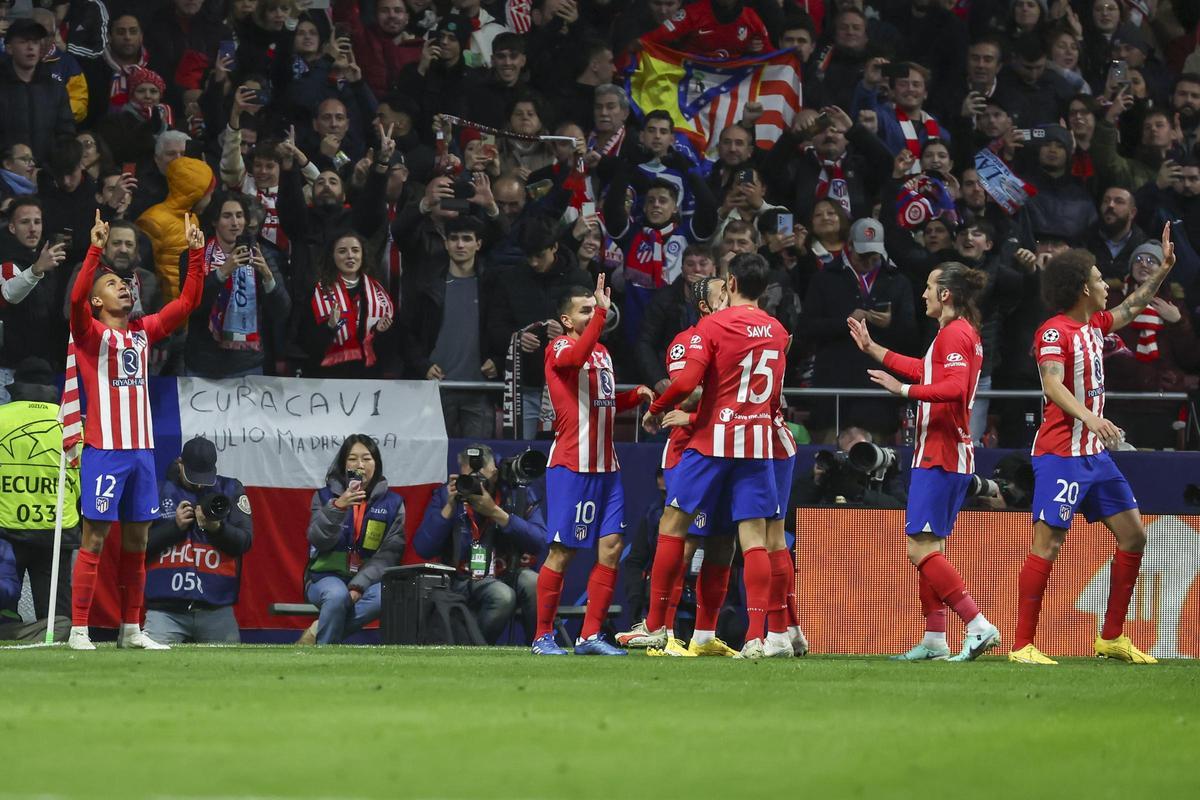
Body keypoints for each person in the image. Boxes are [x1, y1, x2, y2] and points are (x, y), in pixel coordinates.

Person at [1010, 224, 1179, 666]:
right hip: (1060, 455)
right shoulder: (1054, 331)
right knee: (1047, 545)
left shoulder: (1095, 324)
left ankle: (1111, 637)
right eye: (1100, 278)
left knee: (1134, 536)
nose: (1108, 285)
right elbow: (1051, 384)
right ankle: (1022, 645)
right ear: (1084, 288)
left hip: (1095, 457)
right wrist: (1090, 417)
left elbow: (1133, 305)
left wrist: (1163, 269)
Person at [67, 209, 206, 651]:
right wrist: (94, 250)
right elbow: (75, 298)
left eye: (124, 283)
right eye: (112, 284)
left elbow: (186, 305)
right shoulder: (89, 334)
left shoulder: (143, 332)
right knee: (94, 538)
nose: (123, 286)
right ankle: (79, 629)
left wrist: (197, 255)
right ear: (97, 302)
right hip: (105, 449)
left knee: (138, 541)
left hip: (142, 451)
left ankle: (131, 629)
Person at [848, 262, 1002, 662]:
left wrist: (902, 390)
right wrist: (874, 350)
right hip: (949, 453)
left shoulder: (954, 333)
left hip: (940, 453)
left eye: (929, 287)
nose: (923, 294)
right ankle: (935, 638)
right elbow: (926, 370)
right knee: (931, 548)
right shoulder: (960, 333)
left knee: (919, 549)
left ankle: (977, 624)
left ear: (945, 294)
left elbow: (953, 387)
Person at [642, 253, 790, 659]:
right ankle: (757, 637)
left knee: (674, 524)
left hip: (712, 440)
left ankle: (654, 625)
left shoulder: (714, 325)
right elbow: (774, 396)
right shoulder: (778, 330)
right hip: (757, 442)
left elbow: (686, 382)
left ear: (732, 283)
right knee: (755, 538)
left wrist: (656, 408)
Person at [617, 276, 743, 657]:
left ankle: (704, 635)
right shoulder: (687, 341)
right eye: (723, 294)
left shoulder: (739, 337)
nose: (731, 298)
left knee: (723, 542)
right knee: (684, 542)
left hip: (727, 449)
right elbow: (686, 392)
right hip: (690, 450)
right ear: (705, 306)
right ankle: (664, 630)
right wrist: (715, 399)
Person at [530, 275, 653, 656]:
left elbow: (604, 404)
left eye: (595, 309)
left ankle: (590, 636)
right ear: (566, 320)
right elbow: (575, 359)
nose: (593, 314)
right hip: (572, 466)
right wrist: (600, 312)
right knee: (563, 551)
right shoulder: (559, 348)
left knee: (612, 547)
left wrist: (635, 396)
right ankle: (542, 636)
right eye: (584, 310)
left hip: (607, 467)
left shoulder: (602, 352)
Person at [412, 444, 546, 644]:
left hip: (507, 571)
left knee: (534, 582)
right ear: (460, 471)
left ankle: (539, 646)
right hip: (463, 578)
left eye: (482, 475)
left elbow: (540, 541)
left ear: (495, 472)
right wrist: (449, 507)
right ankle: (472, 652)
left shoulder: (515, 494)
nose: (477, 483)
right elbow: (423, 548)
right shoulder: (447, 495)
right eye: (470, 475)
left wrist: (497, 513)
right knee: (503, 596)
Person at [144, 437, 253, 644]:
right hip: (165, 611)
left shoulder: (230, 489)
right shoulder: (157, 491)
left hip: (216, 609)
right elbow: (138, 547)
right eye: (194, 477)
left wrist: (217, 528)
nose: (200, 483)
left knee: (229, 664)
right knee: (150, 662)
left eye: (205, 477)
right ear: (180, 464)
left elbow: (244, 542)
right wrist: (174, 527)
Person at [304, 435, 405, 645]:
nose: (360, 465)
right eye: (352, 459)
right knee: (337, 596)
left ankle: (317, 633)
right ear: (343, 464)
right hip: (324, 577)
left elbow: (389, 555)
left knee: (387, 596)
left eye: (366, 459)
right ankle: (322, 652)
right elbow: (318, 540)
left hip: (367, 581)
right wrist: (337, 508)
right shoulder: (324, 497)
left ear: (376, 464)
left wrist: (358, 586)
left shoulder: (393, 503)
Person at [0, 357, 80, 623]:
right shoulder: (72, 425)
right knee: (57, 621)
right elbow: (83, 477)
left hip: (5, 532)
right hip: (55, 530)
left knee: (2, 615)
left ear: (16, 387)